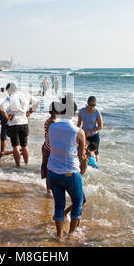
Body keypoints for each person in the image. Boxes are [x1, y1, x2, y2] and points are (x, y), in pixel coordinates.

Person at [47, 93, 88, 240]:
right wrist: (85, 163)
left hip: (52, 172)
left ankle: (59, 235)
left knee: (59, 204)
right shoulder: (79, 132)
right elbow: (81, 156)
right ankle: (71, 234)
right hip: (70, 173)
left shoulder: (52, 127)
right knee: (77, 202)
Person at [0, 83, 40, 167]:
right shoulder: (26, 95)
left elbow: (1, 108)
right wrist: (29, 112)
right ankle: (26, 164)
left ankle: (18, 166)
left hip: (14, 124)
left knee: (15, 146)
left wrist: (7, 118)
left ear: (9, 90)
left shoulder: (10, 97)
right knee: (24, 146)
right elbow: (37, 103)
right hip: (24, 123)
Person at [77, 96, 103, 164]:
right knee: (83, 153)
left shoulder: (97, 112)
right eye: (91, 105)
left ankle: (96, 170)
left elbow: (100, 126)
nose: (92, 107)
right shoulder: (82, 111)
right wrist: (76, 132)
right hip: (84, 135)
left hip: (94, 136)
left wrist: (90, 131)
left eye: (94, 105)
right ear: (87, 104)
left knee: (95, 155)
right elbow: (79, 124)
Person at [41, 102, 58, 195]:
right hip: (49, 149)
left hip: (46, 146)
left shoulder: (49, 120)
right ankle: (49, 191)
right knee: (49, 171)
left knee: (48, 170)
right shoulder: (53, 121)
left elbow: (46, 135)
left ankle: (49, 190)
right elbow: (52, 136)